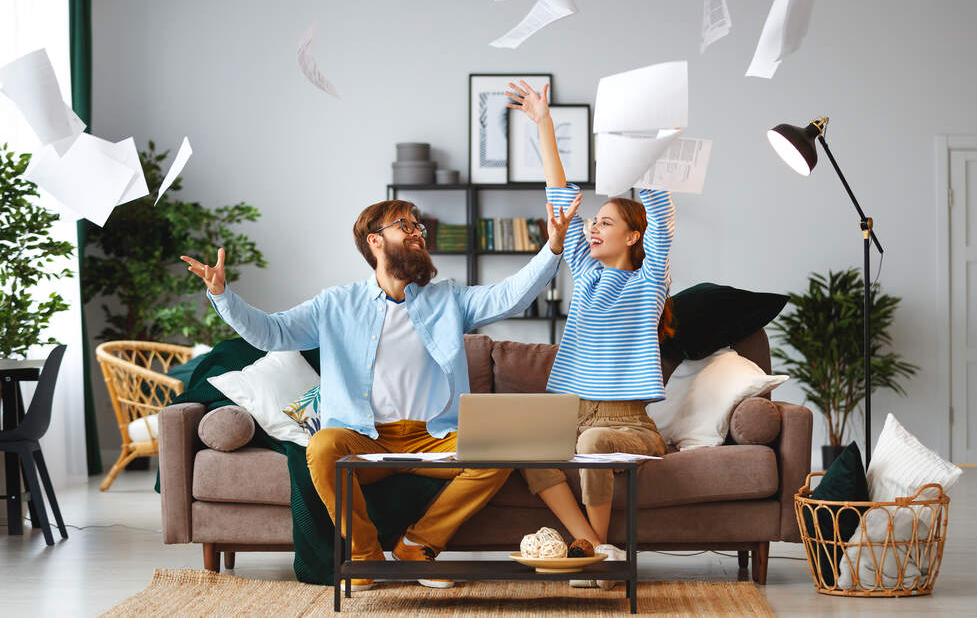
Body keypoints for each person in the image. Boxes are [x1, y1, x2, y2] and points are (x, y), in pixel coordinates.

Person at [180, 195, 578, 591]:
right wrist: (222, 296)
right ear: (374, 241)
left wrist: (553, 247)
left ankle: (417, 546)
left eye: (417, 226)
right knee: (320, 447)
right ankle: (365, 557)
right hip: (365, 435)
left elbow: (510, 295)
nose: (416, 233)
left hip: (432, 436)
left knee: (503, 450)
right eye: (404, 226)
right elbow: (272, 332)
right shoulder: (336, 304)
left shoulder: (449, 299)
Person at [506, 80, 675, 587]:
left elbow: (661, 215)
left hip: (628, 423)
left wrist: (642, 145)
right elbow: (561, 200)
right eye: (594, 221)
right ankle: (596, 550)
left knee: (595, 439)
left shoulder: (648, 282)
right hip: (572, 410)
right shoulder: (585, 270)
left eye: (606, 221)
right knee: (521, 446)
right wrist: (543, 123)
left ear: (634, 235)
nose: (593, 227)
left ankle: (591, 557)